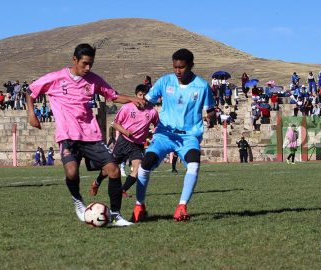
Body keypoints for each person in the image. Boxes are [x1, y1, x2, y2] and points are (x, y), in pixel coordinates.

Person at [26, 43, 145, 226]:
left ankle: (116, 215)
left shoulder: (94, 80)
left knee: (113, 170)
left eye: (91, 64)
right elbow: (30, 91)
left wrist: (131, 99)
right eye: (84, 64)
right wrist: (31, 114)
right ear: (75, 60)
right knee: (72, 172)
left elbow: (112, 96)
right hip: (67, 135)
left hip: (91, 135)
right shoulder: (56, 78)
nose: (88, 68)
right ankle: (77, 200)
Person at [131, 48, 216, 223]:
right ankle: (139, 205)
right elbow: (148, 100)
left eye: (182, 67)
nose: (178, 71)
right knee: (145, 165)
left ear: (191, 65)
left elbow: (211, 109)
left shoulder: (202, 86)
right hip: (164, 135)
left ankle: (181, 206)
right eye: (175, 67)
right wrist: (138, 106)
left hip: (188, 136)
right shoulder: (165, 82)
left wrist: (211, 117)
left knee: (194, 163)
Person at [89, 84, 159, 198]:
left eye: (145, 95)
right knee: (110, 168)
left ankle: (122, 190)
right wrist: (126, 132)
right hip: (124, 142)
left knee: (139, 169)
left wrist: (154, 132)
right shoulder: (127, 107)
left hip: (137, 145)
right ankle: (97, 182)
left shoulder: (152, 112)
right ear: (136, 95)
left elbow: (158, 126)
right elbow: (115, 124)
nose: (142, 97)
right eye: (140, 95)